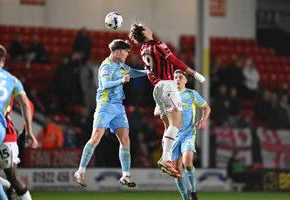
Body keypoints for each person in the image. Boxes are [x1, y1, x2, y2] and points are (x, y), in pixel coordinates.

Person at [129, 23, 206, 178]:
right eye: (145, 27)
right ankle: (165, 159)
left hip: (157, 87)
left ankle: (167, 158)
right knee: (176, 124)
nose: (149, 28)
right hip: (168, 85)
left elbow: (150, 73)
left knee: (168, 127)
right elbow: (174, 61)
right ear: (144, 32)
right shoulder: (158, 45)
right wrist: (195, 74)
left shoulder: (143, 50)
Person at [74, 39, 149, 188]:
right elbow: (106, 84)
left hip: (118, 108)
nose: (128, 54)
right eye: (126, 51)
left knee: (125, 139)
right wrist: (121, 80)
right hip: (105, 106)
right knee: (96, 137)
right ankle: (80, 171)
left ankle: (125, 175)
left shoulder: (121, 65)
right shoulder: (105, 66)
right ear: (117, 52)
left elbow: (132, 72)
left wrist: (148, 72)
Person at [155, 70, 210, 200]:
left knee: (188, 164)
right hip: (172, 136)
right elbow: (156, 112)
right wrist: (165, 106)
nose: (177, 80)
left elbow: (206, 108)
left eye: (180, 77)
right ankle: (185, 197)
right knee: (177, 171)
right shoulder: (167, 95)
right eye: (175, 78)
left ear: (186, 80)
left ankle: (194, 192)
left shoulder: (191, 94)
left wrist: (203, 120)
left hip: (188, 134)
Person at [0, 44, 36, 200]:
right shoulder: (12, 80)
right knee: (12, 177)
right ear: (3, 60)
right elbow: (26, 103)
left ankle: (8, 188)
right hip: (3, 130)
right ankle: (9, 187)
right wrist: (29, 130)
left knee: (11, 177)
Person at [0, 98, 37, 200]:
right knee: (11, 178)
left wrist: (27, 130)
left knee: (13, 176)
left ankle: (10, 185)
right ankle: (7, 185)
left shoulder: (9, 83)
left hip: (5, 137)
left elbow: (28, 104)